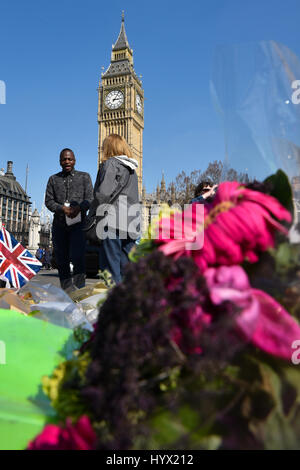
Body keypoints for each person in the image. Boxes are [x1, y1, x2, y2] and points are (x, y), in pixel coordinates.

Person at [90, 134, 140, 284]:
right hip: (131, 222)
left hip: (112, 221)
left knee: (110, 268)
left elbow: (103, 193)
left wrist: (93, 212)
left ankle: (114, 302)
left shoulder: (111, 164)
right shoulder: (132, 169)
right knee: (127, 268)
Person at [45, 148, 93, 291]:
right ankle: (67, 292)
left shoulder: (84, 177)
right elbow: (48, 201)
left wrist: (79, 208)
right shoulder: (53, 179)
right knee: (62, 259)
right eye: (64, 159)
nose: (67, 161)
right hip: (59, 225)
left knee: (78, 257)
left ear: (74, 160)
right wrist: (62, 209)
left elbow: (90, 198)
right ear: (60, 161)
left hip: (78, 225)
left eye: (69, 159)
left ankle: (80, 291)